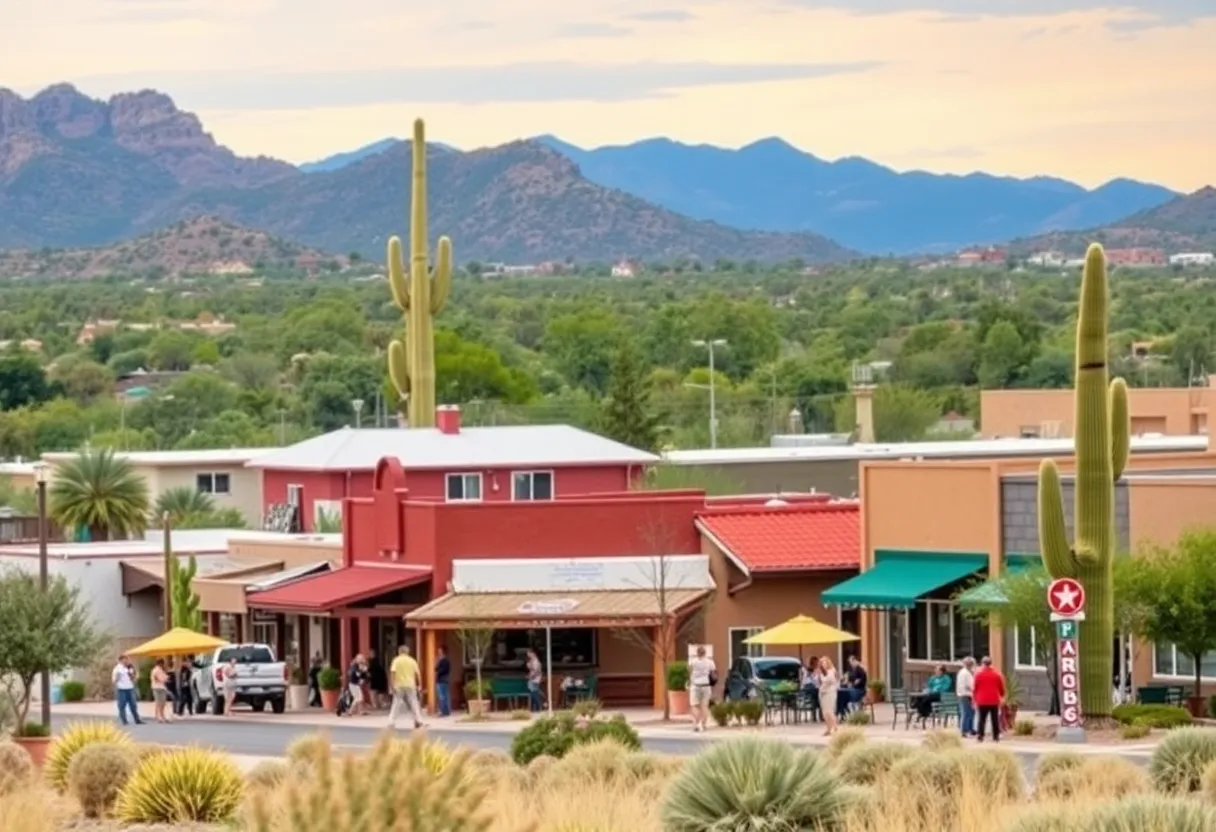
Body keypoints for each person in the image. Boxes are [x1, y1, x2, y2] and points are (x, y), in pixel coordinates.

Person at [388, 644, 425, 730]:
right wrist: (420, 685)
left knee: (396, 704)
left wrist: (392, 685)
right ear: (407, 652)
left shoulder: (396, 660)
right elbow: (417, 674)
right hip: (410, 685)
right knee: (414, 703)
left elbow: (393, 673)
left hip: (399, 685)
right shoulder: (412, 661)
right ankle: (419, 720)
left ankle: (391, 722)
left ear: (399, 651)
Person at [973, 656, 1006, 743]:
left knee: (981, 719)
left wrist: (974, 700)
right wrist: (1002, 695)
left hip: (982, 700)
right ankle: (996, 736)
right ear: (991, 664)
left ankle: (980, 736)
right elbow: (1001, 688)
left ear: (982, 664)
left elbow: (975, 688)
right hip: (994, 700)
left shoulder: (978, 675)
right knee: (994, 719)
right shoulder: (997, 674)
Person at [688, 645, 716, 733]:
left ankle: (696, 724)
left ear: (697, 653)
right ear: (705, 653)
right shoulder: (710, 662)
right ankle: (703, 724)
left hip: (695, 685)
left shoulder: (693, 661)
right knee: (704, 706)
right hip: (706, 685)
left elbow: (689, 671)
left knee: (695, 705)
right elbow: (713, 671)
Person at [112, 654, 143, 726]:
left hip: (130, 688)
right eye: (124, 660)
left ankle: (137, 719)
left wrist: (135, 677)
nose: (126, 661)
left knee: (133, 705)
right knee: (122, 705)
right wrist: (117, 677)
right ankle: (124, 720)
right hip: (122, 689)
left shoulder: (129, 668)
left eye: (127, 660)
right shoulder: (117, 669)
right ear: (120, 661)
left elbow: (134, 677)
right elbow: (114, 681)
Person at [818, 656, 839, 736]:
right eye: (821, 663)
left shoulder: (831, 671)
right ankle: (828, 729)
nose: (823, 664)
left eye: (824, 662)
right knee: (825, 712)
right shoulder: (822, 673)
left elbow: (831, 681)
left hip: (830, 692)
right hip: (822, 693)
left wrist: (824, 684)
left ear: (828, 663)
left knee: (830, 711)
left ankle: (835, 728)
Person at [956, 656, 976, 737]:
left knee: (970, 713)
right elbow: (970, 685)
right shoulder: (966, 673)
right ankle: (964, 731)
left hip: (963, 695)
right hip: (966, 695)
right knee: (966, 713)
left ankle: (970, 729)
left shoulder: (962, 672)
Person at [150, 658, 172, 723]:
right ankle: (160, 716)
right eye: (163, 663)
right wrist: (166, 678)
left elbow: (164, 677)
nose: (163, 665)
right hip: (158, 688)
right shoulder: (156, 670)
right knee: (160, 703)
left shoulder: (160, 670)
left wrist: (166, 678)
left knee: (161, 702)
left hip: (160, 687)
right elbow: (160, 679)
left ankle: (160, 716)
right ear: (160, 663)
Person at [435, 645, 452, 717]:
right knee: (444, 696)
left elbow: (439, 670)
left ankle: (444, 711)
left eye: (440, 651)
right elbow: (436, 669)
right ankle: (446, 711)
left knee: (442, 696)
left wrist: (438, 668)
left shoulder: (445, 661)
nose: (438, 652)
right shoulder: (441, 660)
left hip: (442, 680)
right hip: (442, 680)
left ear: (443, 652)